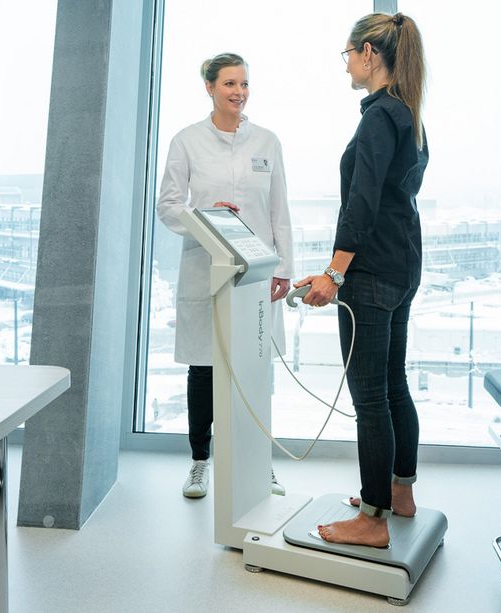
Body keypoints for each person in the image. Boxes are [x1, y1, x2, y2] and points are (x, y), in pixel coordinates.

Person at [294, 12, 428, 547]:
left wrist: (334, 273)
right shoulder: (409, 114)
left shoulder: (379, 117)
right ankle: (400, 492)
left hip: (371, 273)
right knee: (392, 385)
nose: (346, 63)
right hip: (401, 267)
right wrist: (335, 268)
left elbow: (362, 203)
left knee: (370, 395)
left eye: (348, 53)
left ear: (370, 54)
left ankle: (372, 519)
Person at [157, 53, 294, 499]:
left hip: (257, 273)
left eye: (244, 84)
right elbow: (169, 205)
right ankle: (200, 462)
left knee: (255, 369)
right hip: (206, 268)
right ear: (210, 87)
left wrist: (285, 269)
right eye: (230, 83)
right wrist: (207, 218)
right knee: (204, 368)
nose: (239, 92)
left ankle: (259, 463)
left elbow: (279, 212)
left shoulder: (268, 142)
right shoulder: (187, 141)